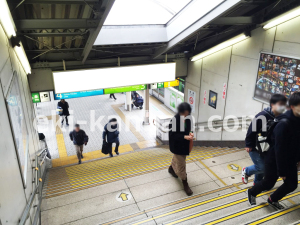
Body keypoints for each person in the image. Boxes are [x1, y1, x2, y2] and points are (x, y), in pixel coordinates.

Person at [247, 92, 300, 210]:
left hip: (290, 159)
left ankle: (272, 199)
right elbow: (279, 149)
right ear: (292, 106)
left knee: (292, 185)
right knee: (268, 183)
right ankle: (252, 192)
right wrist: (282, 172)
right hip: (275, 159)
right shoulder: (284, 123)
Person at [242, 94, 287, 185]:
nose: (282, 107)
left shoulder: (281, 118)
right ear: (272, 105)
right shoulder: (262, 116)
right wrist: (248, 144)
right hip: (255, 146)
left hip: (267, 148)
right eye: (280, 104)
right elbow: (252, 129)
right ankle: (246, 171)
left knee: (265, 166)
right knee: (261, 167)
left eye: (284, 104)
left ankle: (257, 183)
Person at [168, 102, 194, 196]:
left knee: (179, 160)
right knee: (182, 165)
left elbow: (190, 128)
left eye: (187, 113)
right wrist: (184, 137)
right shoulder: (174, 120)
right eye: (184, 113)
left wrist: (191, 133)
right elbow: (173, 135)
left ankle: (171, 168)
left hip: (185, 146)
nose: (186, 115)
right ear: (180, 112)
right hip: (177, 146)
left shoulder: (188, 118)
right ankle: (185, 183)